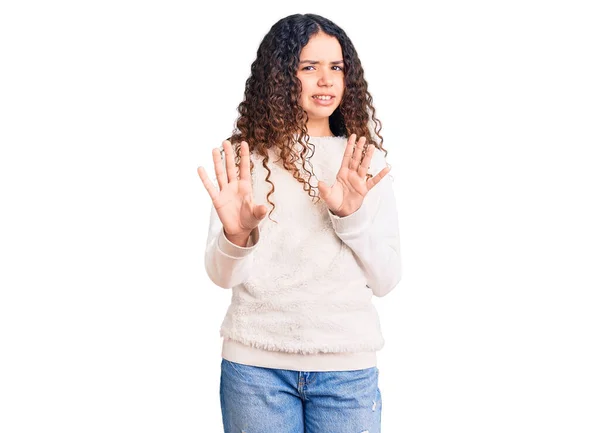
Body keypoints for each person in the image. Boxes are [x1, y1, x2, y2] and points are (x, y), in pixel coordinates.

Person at [197, 13, 401, 433]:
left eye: (336, 67)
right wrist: (237, 237)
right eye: (309, 67)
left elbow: (387, 279)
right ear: (280, 75)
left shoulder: (364, 163)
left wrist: (351, 218)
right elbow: (221, 276)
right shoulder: (246, 160)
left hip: (346, 371)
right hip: (255, 370)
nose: (326, 80)